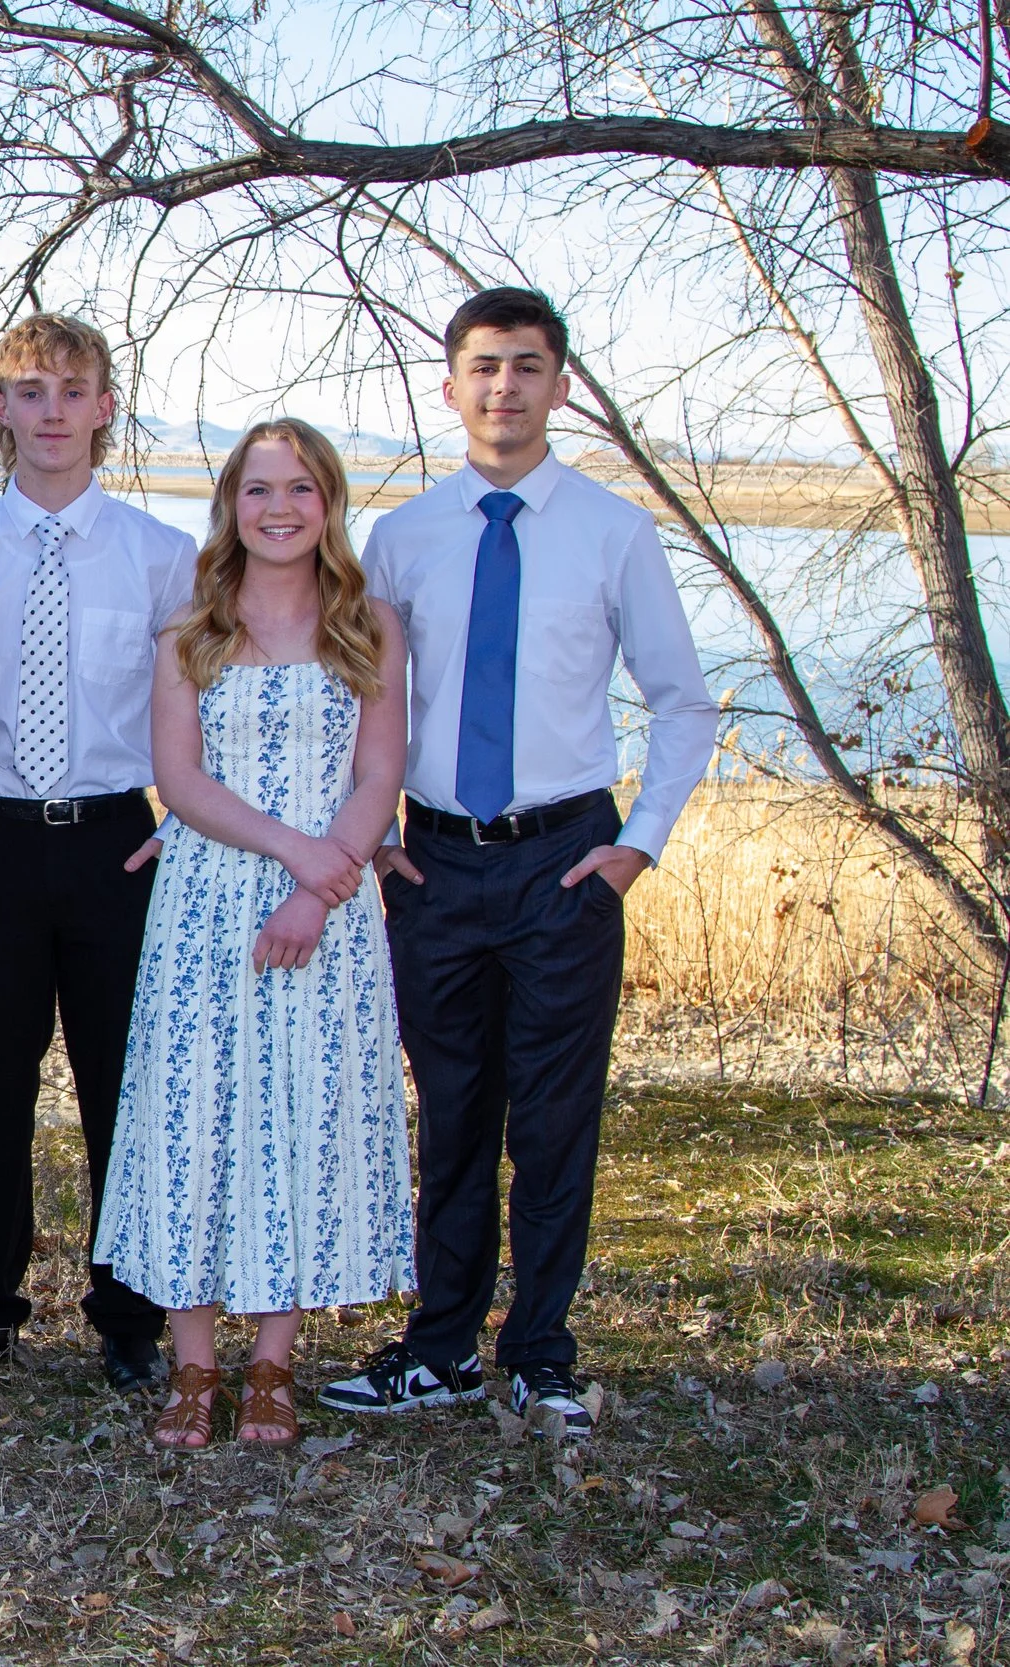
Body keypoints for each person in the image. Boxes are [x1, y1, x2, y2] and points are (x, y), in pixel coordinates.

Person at [318, 288, 715, 1437]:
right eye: (483, 366)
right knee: (449, 1115)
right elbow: (367, 702)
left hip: (561, 865)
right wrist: (373, 828)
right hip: (435, 870)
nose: (504, 386)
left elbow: (683, 703)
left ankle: (540, 1351)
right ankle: (438, 1347)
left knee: (550, 1119)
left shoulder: (612, 531)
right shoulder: (403, 537)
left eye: (527, 366)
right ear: (449, 387)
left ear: (560, 384)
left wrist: (634, 847)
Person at [94, 420, 414, 1449]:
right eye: (259, 489)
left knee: (303, 1117)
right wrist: (292, 851)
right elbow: (178, 779)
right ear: (231, 502)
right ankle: (193, 1367)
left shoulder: (370, 624)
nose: (279, 508)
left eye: (301, 489)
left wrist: (319, 888)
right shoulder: (192, 625)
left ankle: (272, 1362)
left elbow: (378, 772)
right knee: (194, 1118)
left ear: (329, 504)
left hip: (325, 911)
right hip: (206, 904)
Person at [0, 314, 198, 1390]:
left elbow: (207, 708)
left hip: (114, 844)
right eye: (28, 390)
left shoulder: (161, 554)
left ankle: (126, 1315)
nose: (50, 411)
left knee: (118, 1086)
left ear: (103, 409)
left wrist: (184, 816)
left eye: (71, 390)